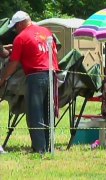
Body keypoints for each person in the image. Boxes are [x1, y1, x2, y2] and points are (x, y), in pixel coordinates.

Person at [0, 11, 59, 153]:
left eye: (15, 27)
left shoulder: (21, 37)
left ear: (20, 24)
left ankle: (39, 149)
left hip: (35, 76)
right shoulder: (46, 32)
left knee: (35, 113)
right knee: (47, 112)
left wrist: (3, 78)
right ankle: (49, 146)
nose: (14, 30)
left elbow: (13, 63)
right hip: (52, 74)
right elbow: (54, 52)